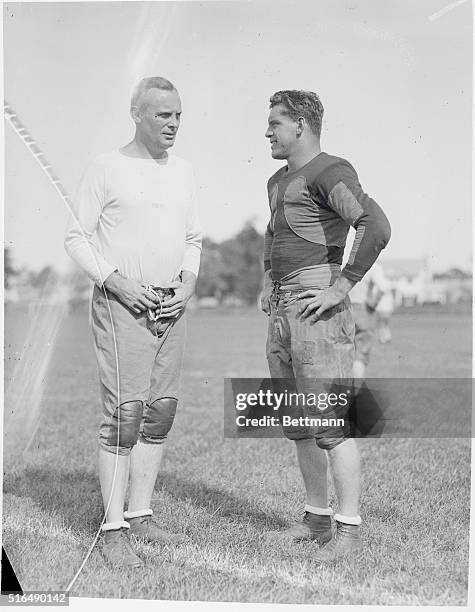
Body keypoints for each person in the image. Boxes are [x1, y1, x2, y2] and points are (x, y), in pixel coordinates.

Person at [64, 76, 202, 568]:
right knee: (125, 414)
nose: (173, 124)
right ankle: (112, 529)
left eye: (179, 115)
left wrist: (187, 282)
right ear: (137, 113)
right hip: (122, 302)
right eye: (163, 115)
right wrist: (116, 282)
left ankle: (140, 513)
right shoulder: (106, 166)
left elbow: (194, 238)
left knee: (160, 410)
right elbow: (76, 238)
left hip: (171, 305)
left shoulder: (183, 171)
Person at [261, 90, 390, 561]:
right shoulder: (277, 180)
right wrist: (267, 280)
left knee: (331, 424)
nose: (268, 132)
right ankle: (316, 520)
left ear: (300, 125)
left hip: (318, 308)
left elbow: (374, 225)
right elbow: (274, 234)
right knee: (299, 424)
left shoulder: (330, 170)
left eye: (275, 123)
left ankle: (349, 532)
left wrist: (341, 287)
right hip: (282, 308)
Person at [349, 261, 388, 381]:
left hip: (345, 309)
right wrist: (373, 304)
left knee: (345, 351)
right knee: (361, 353)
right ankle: (356, 390)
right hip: (363, 310)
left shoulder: (349, 264)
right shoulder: (374, 267)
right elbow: (383, 287)